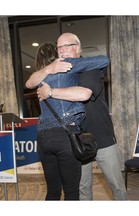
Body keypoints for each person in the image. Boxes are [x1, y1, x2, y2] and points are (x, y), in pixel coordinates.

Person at [38, 32, 127, 200]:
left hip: (102, 137)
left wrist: (50, 92)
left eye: (67, 46)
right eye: (59, 48)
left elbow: (84, 94)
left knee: (116, 185)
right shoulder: (60, 73)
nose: (62, 51)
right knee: (83, 188)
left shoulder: (90, 67)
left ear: (77, 47)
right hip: (76, 139)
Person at [25, 41, 109, 200]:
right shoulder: (66, 64)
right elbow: (104, 60)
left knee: (52, 191)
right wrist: (73, 61)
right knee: (71, 192)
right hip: (64, 136)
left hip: (43, 137)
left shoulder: (41, 75)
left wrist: (47, 69)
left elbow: (29, 83)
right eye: (60, 49)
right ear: (56, 54)